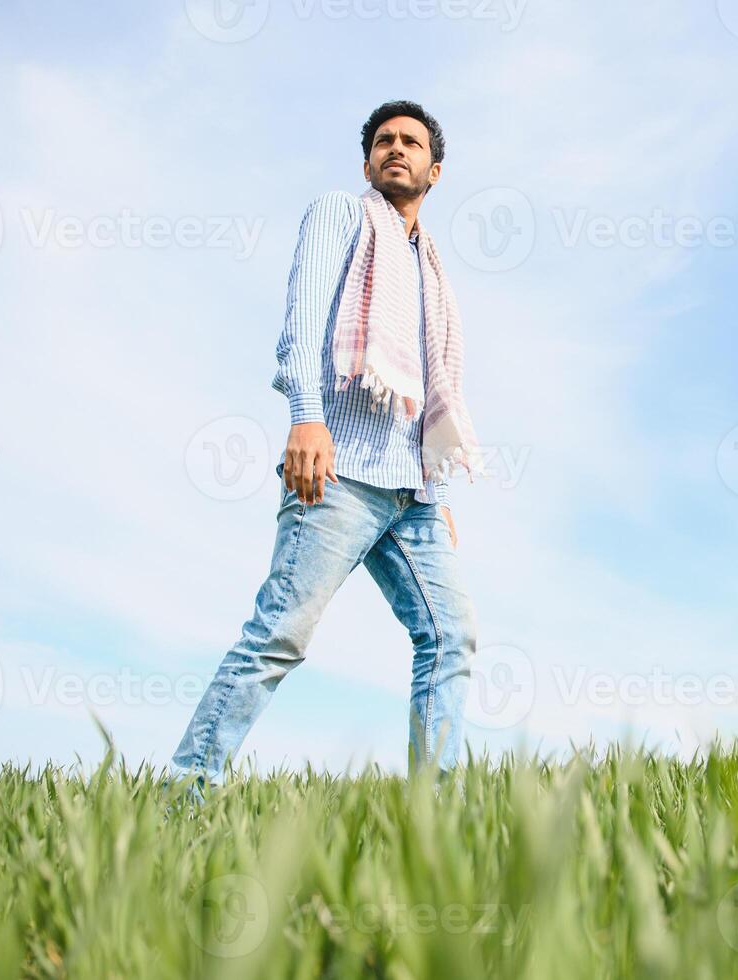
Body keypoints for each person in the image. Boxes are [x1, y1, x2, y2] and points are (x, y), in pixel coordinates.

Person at [169, 100, 484, 799]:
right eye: (381, 142)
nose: (394, 149)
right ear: (368, 160)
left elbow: (428, 387)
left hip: (414, 495)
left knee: (450, 638)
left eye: (409, 142)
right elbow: (304, 320)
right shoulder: (341, 215)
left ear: (436, 169)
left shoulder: (430, 271)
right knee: (280, 632)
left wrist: (438, 488)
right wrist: (306, 419)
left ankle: (435, 818)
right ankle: (183, 795)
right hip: (337, 469)